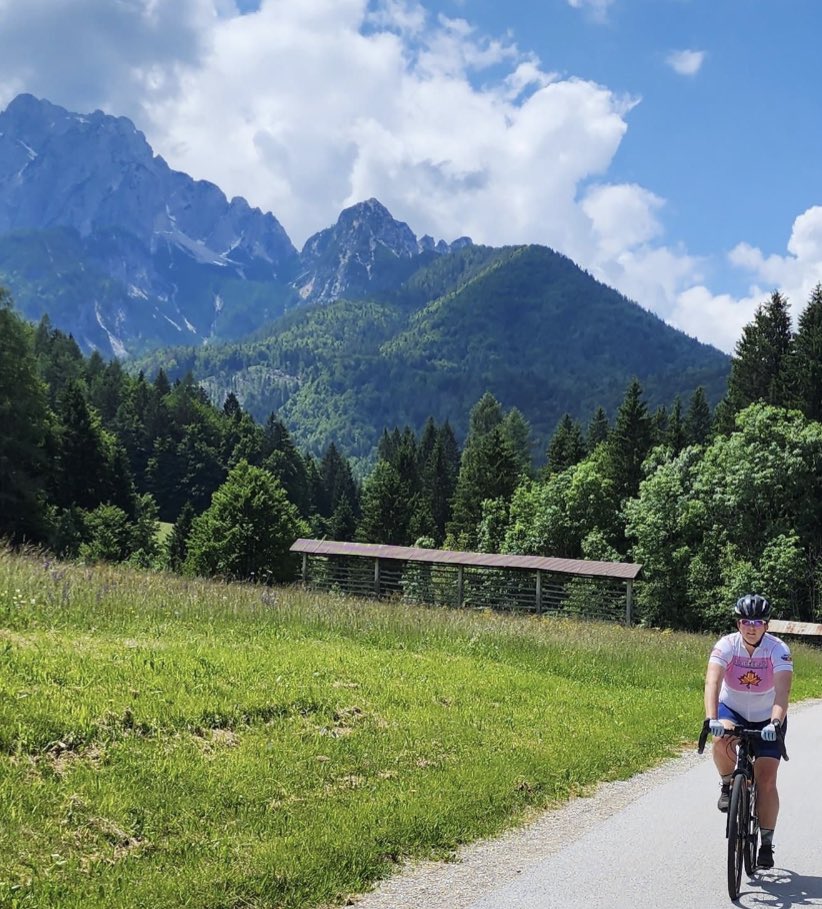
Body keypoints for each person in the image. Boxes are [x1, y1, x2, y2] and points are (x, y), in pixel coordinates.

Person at [703, 593, 793, 870]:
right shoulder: (726, 645)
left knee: (766, 780)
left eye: (758, 621)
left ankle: (766, 842)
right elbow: (712, 683)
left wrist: (775, 722)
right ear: (738, 623)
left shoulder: (778, 649)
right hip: (734, 709)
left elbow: (782, 691)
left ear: (766, 624)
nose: (751, 627)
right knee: (720, 738)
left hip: (768, 716)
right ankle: (728, 783)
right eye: (745, 621)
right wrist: (711, 718)